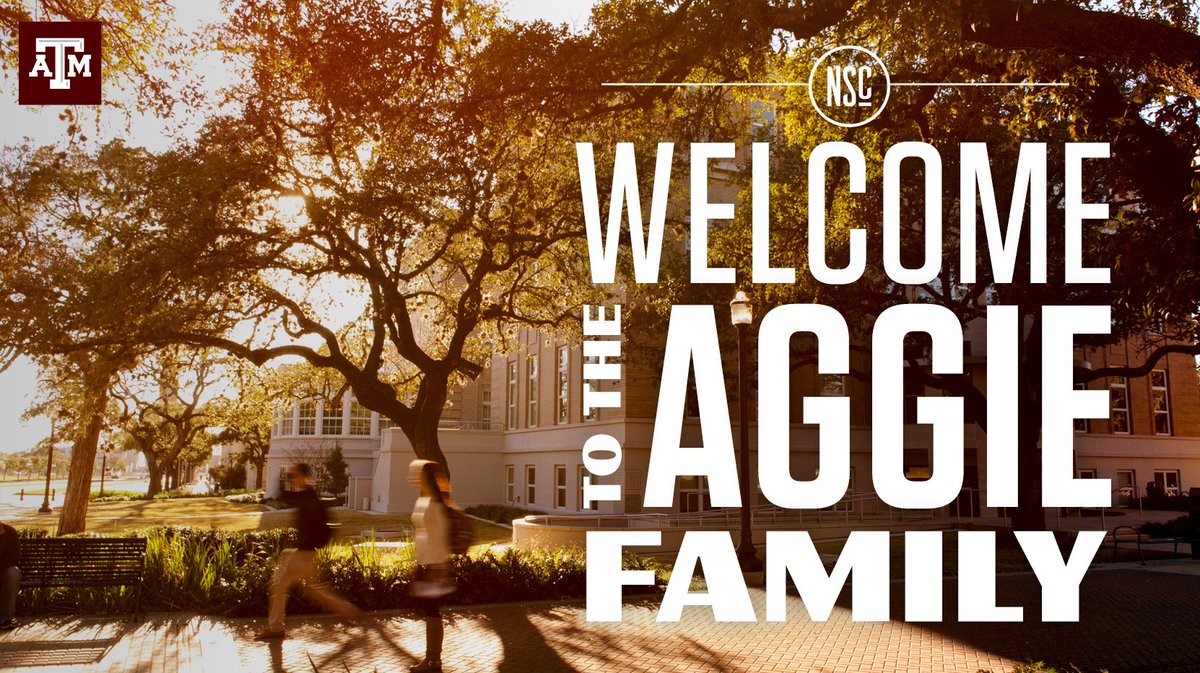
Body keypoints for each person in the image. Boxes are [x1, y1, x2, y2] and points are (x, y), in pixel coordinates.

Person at [255, 463, 360, 640]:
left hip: (304, 553)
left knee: (278, 586)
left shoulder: (307, 497)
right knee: (313, 590)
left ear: (303, 477)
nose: (293, 480)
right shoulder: (309, 495)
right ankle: (347, 609)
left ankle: (275, 628)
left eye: (295, 476)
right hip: (307, 552)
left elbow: (283, 496)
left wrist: (282, 481)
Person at [409, 459, 456, 673]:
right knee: (429, 610)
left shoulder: (436, 505)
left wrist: (441, 569)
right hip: (426, 563)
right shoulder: (426, 500)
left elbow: (442, 537)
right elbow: (424, 536)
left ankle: (433, 660)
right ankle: (432, 660)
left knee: (432, 611)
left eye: (418, 474)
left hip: (435, 565)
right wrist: (417, 562)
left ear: (425, 477)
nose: (414, 477)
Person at [0, 522, 19, 630]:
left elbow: (14, 558)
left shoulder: (9, 532)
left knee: (14, 573)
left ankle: (6, 619)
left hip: (3, 571)